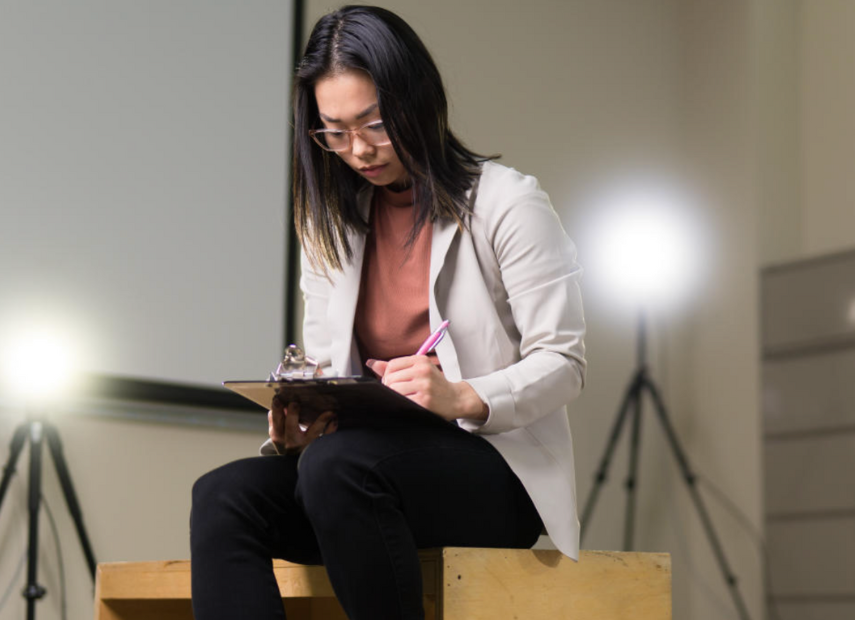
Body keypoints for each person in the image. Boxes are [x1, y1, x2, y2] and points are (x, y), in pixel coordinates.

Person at [188, 6, 586, 619]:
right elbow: (326, 370)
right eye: (335, 131)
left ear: (416, 101)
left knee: (336, 468)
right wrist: (304, 424)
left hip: (494, 473)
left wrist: (462, 397)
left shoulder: (509, 203)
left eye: (374, 123)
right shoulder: (330, 227)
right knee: (222, 495)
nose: (358, 150)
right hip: (355, 475)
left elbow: (563, 364)